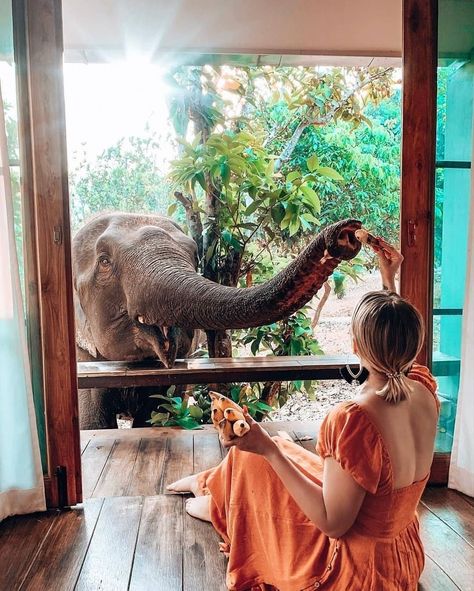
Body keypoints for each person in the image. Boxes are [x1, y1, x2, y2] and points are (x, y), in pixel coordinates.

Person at [167, 238, 439, 591]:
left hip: (358, 571)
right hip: (401, 557)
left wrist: (267, 449)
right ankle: (211, 487)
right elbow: (397, 345)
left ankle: (224, 508)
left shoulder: (355, 419)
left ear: (356, 345)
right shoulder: (423, 388)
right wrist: (389, 281)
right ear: (412, 344)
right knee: (290, 449)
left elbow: (333, 525)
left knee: (262, 457)